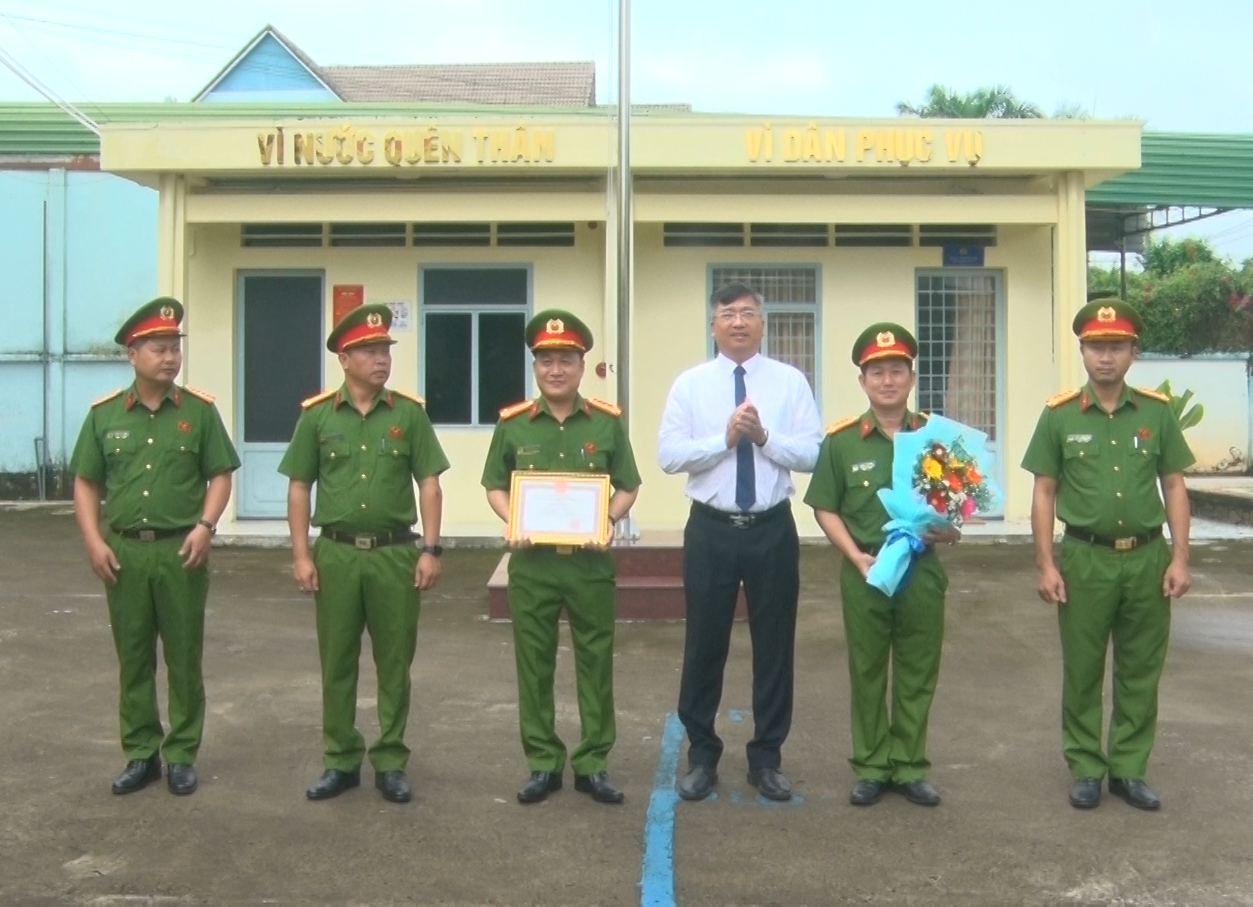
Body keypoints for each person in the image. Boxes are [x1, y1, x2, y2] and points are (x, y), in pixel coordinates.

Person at [1021, 298, 1193, 811]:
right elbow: (1044, 492)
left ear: (1133, 353)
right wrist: (1045, 562)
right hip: (1084, 558)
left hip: (1146, 558)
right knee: (1083, 667)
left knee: (1141, 668)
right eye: (1096, 347)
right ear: (1082, 351)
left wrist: (1181, 557)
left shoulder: (1157, 413)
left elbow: (1176, 486)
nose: (1105, 357)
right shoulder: (1058, 417)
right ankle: (1086, 766)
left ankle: (1129, 768)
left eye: (1115, 347)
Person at [657, 281, 823, 802]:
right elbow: (669, 455)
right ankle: (701, 755)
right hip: (711, 529)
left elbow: (814, 454)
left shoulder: (790, 382)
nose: (737, 322)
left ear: (762, 323)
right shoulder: (691, 385)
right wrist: (724, 440)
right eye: (727, 313)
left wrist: (764, 437)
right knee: (704, 643)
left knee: (774, 645)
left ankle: (766, 758)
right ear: (713, 325)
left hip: (772, 528)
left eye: (748, 313)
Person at [278, 303, 448, 805]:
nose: (381, 359)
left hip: (396, 554)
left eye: (385, 350)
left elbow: (430, 486)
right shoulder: (317, 418)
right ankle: (341, 759)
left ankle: (391, 759)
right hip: (336, 554)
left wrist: (432, 549)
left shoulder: (410, 415)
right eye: (370, 351)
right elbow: (298, 489)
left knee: (395, 661)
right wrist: (301, 555)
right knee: (337, 661)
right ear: (345, 358)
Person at [70, 296, 240, 796]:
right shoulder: (104, 417)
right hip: (124, 552)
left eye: (174, 348)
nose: (170, 357)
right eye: (158, 349)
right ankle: (141, 752)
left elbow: (220, 475)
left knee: (184, 655)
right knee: (134, 656)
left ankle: (183, 753)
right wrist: (93, 540)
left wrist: (206, 526)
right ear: (132, 354)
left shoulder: (199, 413)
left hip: (180, 552)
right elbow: (86, 483)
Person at [481, 309, 641, 805]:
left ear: (582, 365)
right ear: (535, 367)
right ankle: (543, 763)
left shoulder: (607, 425)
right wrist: (513, 522)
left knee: (595, 663)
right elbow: (493, 485)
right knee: (534, 664)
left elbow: (629, 486)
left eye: (566, 360)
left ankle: (593, 763)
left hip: (589, 564)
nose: (556, 370)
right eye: (546, 361)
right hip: (533, 565)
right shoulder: (513, 426)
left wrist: (608, 521)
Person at [804, 323, 959, 807]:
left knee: (917, 669)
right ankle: (871, 765)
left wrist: (948, 531)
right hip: (866, 569)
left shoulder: (937, 438)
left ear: (912, 378)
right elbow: (824, 506)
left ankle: (910, 765)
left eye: (896, 371)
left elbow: (957, 512)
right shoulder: (843, 441)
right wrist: (855, 557)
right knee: (867, 670)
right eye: (877, 372)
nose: (887, 381)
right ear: (863, 381)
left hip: (922, 569)